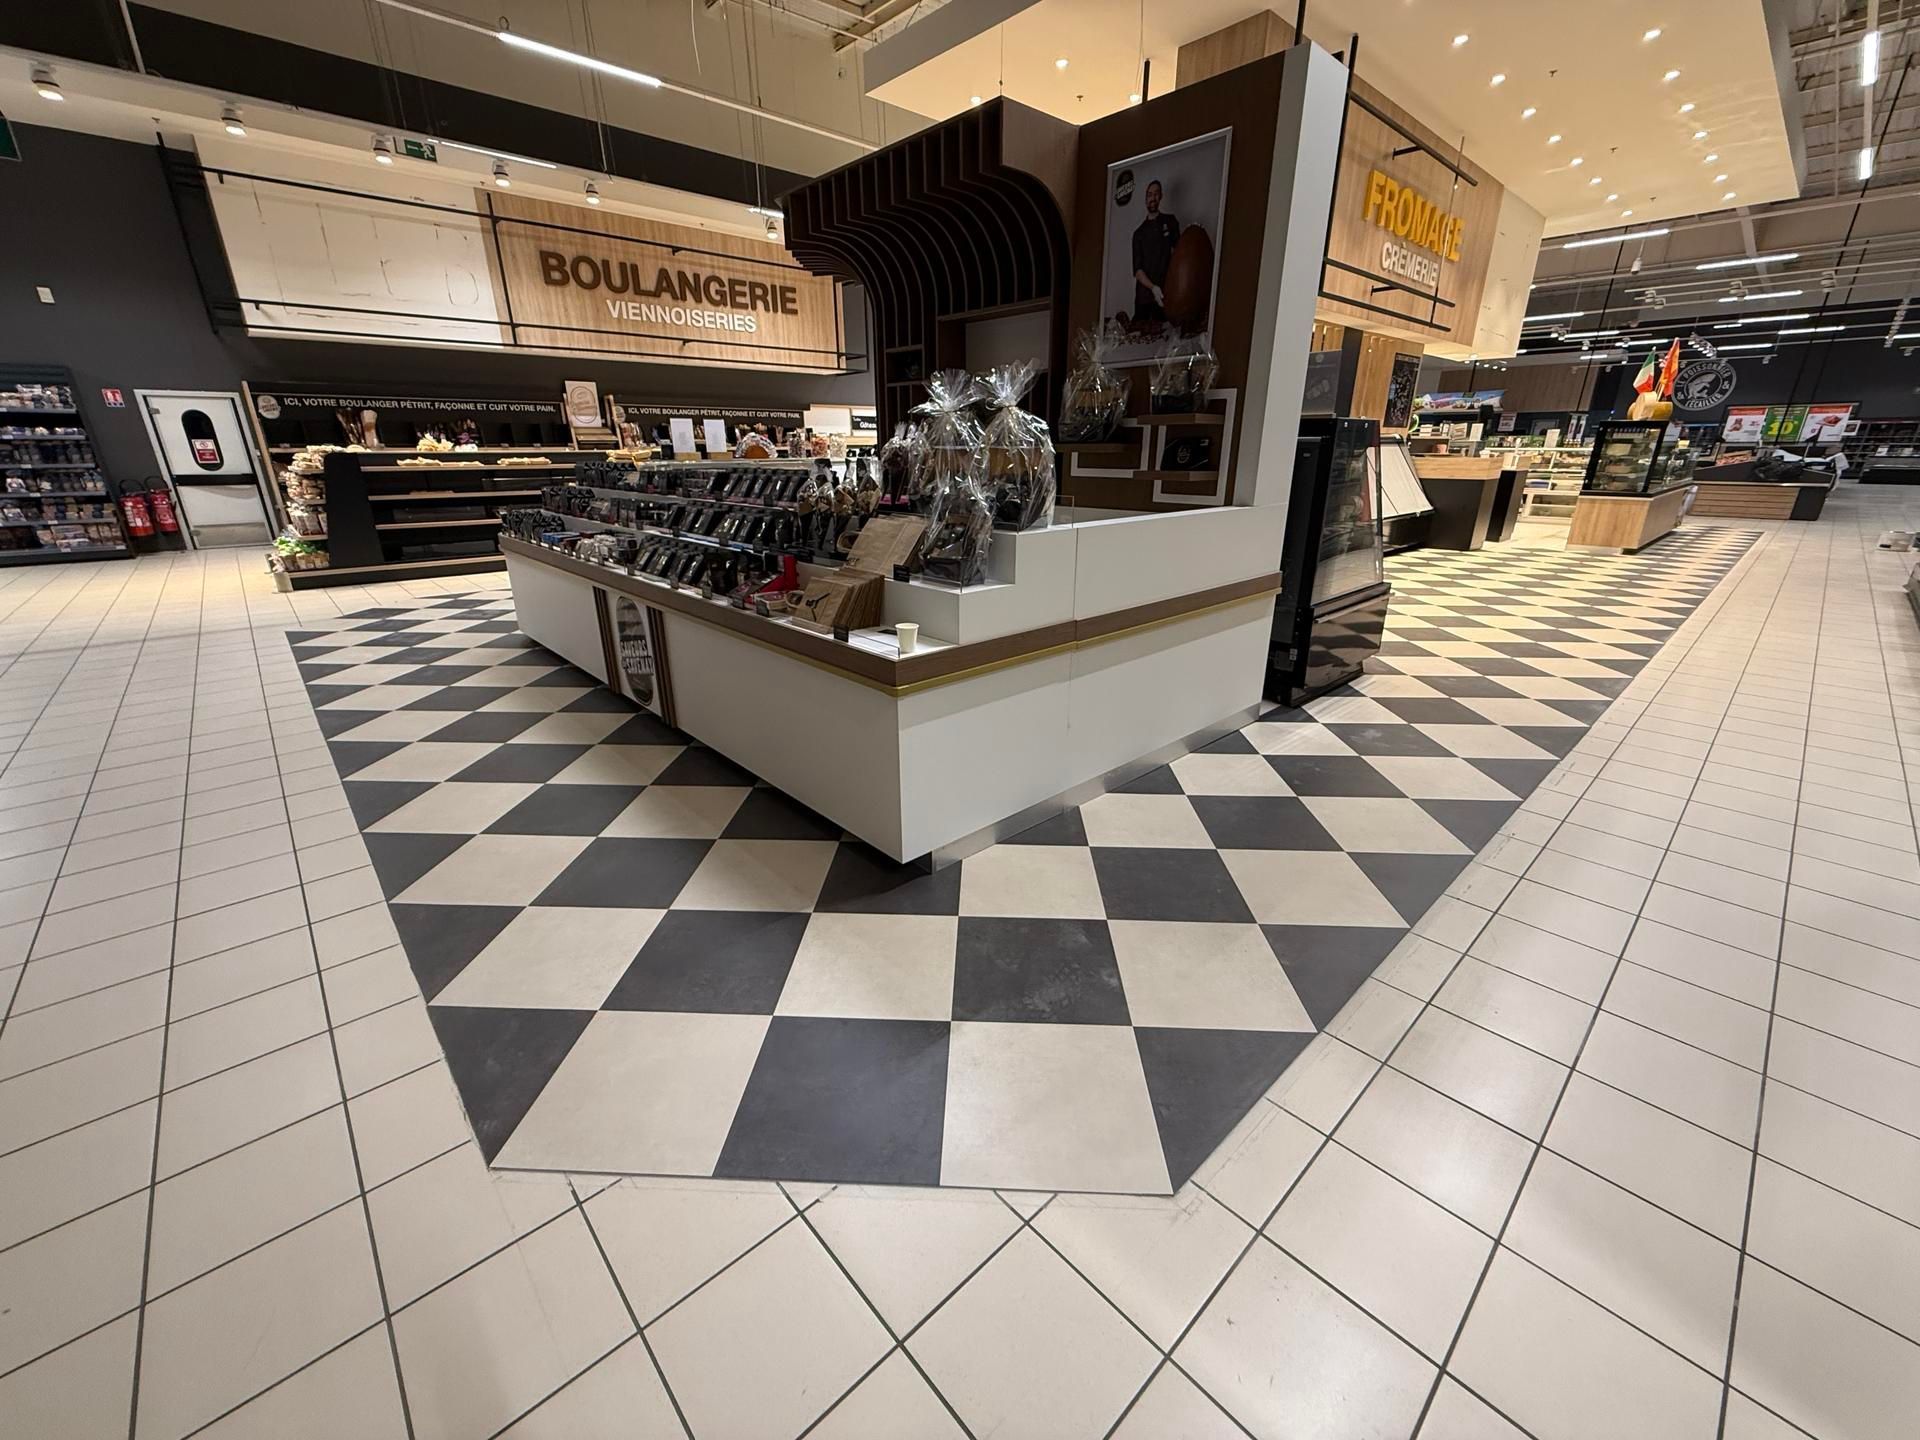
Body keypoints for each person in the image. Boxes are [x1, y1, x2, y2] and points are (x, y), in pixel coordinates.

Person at [1131, 179, 1181, 326]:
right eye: (1149, 195)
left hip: (1166, 294)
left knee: (1166, 335)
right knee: (1141, 338)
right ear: (1146, 199)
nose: (1152, 198)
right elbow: (1138, 270)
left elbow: (1179, 255)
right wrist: (1153, 288)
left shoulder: (1170, 222)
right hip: (1144, 296)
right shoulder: (1138, 233)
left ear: (1161, 196)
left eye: (1156, 194)